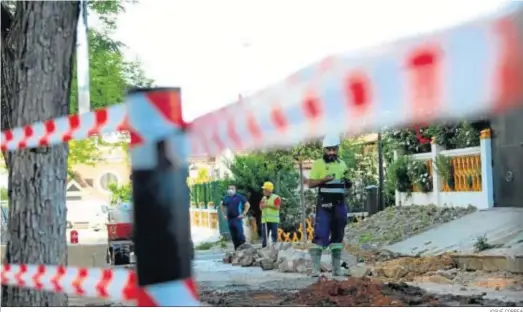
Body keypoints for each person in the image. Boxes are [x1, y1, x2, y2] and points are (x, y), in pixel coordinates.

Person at [306, 133, 352, 277]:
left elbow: (347, 182)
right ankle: (315, 269)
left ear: (338, 149)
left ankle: (336, 269)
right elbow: (310, 183)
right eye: (328, 149)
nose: (331, 152)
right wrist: (323, 180)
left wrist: (348, 182)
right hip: (324, 205)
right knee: (320, 233)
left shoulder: (342, 164)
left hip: (339, 204)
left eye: (334, 149)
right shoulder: (319, 164)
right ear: (324, 150)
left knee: (338, 234)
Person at [221, 184, 251, 250]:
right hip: (230, 219)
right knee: (233, 236)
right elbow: (222, 205)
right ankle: (236, 250)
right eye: (229, 188)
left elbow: (247, 205)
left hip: (237, 218)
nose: (230, 190)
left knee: (240, 235)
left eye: (232, 188)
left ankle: (244, 250)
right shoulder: (226, 197)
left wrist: (243, 214)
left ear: (235, 190)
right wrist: (224, 214)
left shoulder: (240, 197)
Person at [260, 181, 281, 248]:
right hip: (265, 220)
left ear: (269, 190)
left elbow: (277, 207)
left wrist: (268, 205)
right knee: (264, 237)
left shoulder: (276, 197)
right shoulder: (263, 198)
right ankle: (264, 249)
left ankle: (274, 249)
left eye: (265, 189)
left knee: (274, 236)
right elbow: (260, 207)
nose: (263, 191)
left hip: (273, 220)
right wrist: (262, 205)